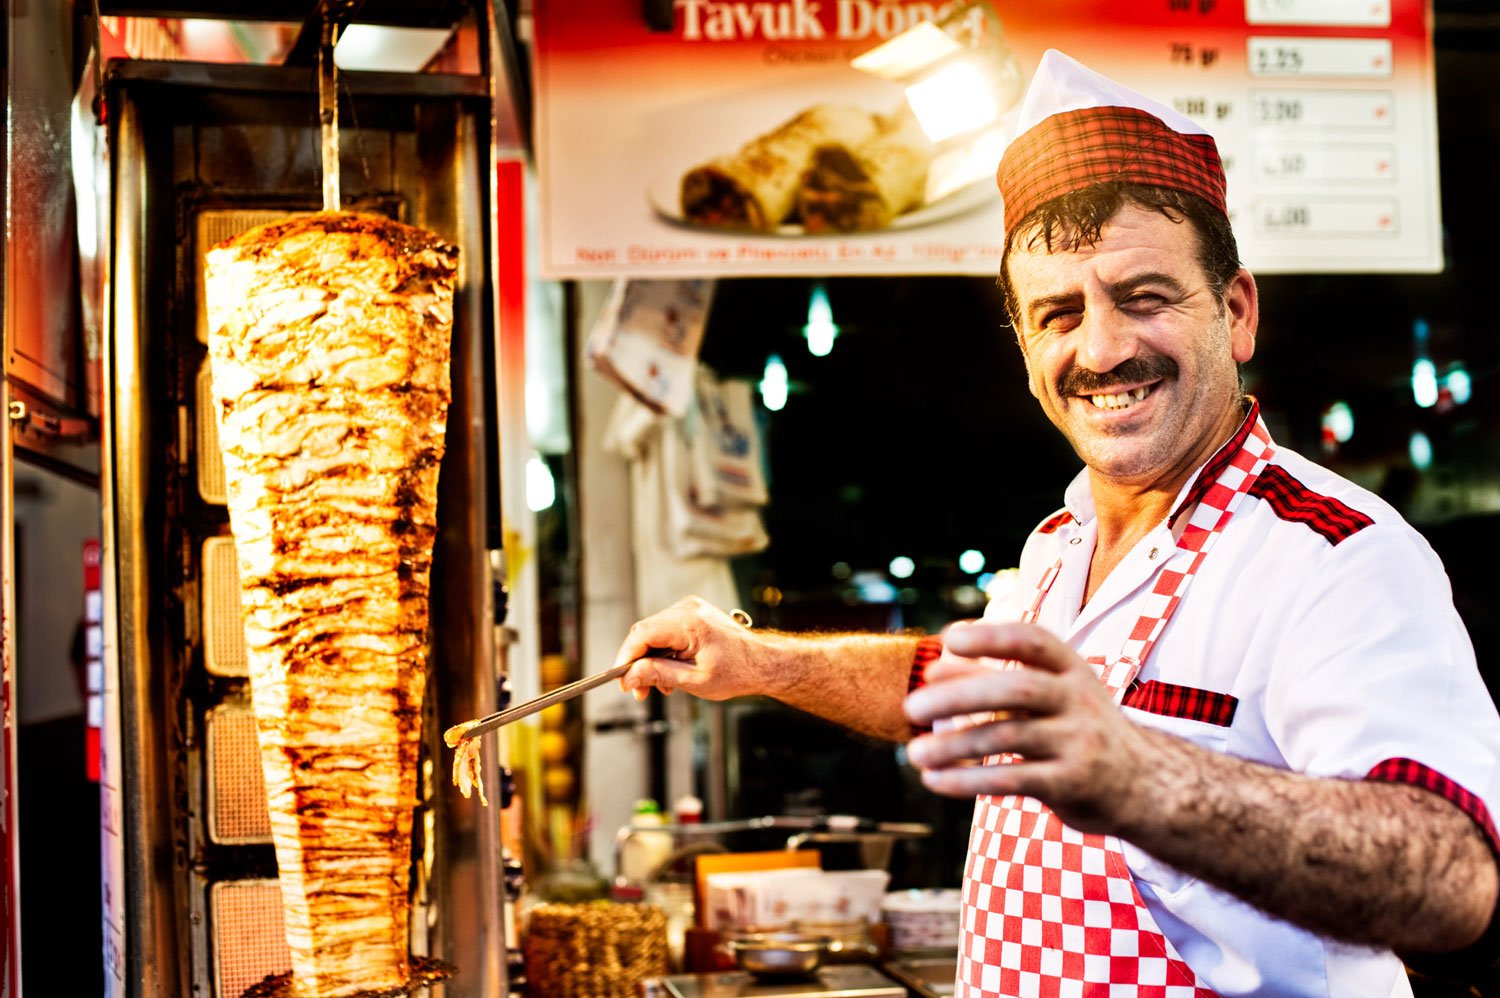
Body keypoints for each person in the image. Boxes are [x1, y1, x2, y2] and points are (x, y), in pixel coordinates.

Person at [612, 50, 1500, 996]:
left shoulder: (1335, 553)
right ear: (1026, 343)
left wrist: (1138, 776)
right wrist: (757, 663)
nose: (1104, 348)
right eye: (1059, 313)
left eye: (1144, 298)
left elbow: (1450, 879)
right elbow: (948, 687)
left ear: (1236, 311)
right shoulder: (1057, 545)